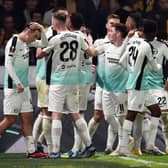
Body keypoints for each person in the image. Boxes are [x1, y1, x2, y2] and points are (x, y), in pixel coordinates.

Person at [37, 10, 97, 158]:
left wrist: (42, 43)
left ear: (57, 22)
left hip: (58, 80)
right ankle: (89, 145)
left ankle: (55, 151)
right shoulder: (79, 37)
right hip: (74, 80)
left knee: (56, 115)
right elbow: (90, 52)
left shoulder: (55, 39)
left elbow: (39, 54)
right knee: (75, 114)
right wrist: (92, 44)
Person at [0, 22, 48, 158]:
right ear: (29, 32)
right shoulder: (14, 41)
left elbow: (44, 44)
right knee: (10, 119)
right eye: (34, 36)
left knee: (27, 118)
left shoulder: (27, 42)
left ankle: (32, 151)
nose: (35, 40)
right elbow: (8, 64)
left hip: (25, 88)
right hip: (13, 87)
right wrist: (18, 82)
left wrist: (42, 30)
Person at [119, 19, 163, 156]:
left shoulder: (133, 42)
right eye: (154, 33)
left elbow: (121, 61)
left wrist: (132, 71)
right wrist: (159, 66)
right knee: (131, 114)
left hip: (142, 85)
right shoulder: (146, 46)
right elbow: (155, 68)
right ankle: (123, 148)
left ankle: (150, 145)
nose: (154, 36)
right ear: (151, 33)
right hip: (138, 86)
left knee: (156, 111)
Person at [88, 14, 120, 154]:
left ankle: (109, 146)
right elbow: (91, 62)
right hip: (101, 85)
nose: (113, 26)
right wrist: (91, 79)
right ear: (106, 25)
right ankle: (86, 142)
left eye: (116, 24)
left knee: (113, 116)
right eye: (111, 23)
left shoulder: (122, 43)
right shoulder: (99, 42)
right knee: (98, 115)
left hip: (117, 86)